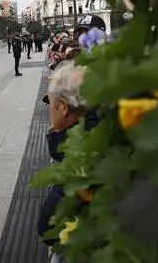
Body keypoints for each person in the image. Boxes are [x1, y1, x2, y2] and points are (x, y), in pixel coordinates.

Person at [38, 62, 97, 260]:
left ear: (63, 107)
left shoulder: (76, 152)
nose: (50, 110)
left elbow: (49, 226)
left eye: (51, 105)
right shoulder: (101, 126)